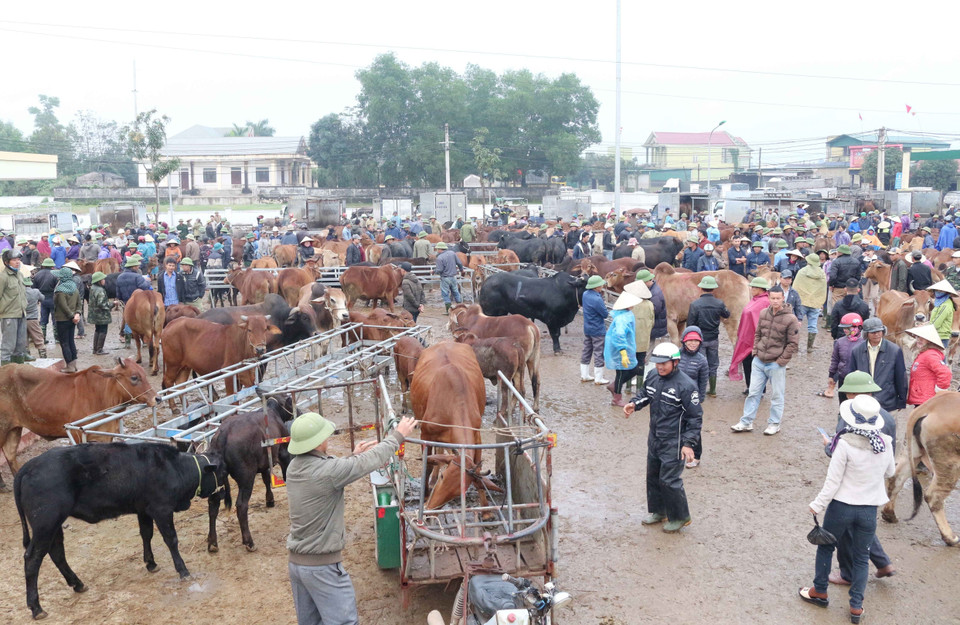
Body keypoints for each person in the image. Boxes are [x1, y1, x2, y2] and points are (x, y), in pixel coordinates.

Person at [286, 412, 416, 625]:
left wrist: (351, 458)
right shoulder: (329, 472)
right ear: (318, 443)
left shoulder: (294, 468)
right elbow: (369, 461)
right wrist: (398, 435)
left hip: (298, 564)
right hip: (322, 568)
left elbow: (328, 474)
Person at [799, 395, 895, 624]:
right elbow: (890, 472)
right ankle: (856, 608)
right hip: (868, 510)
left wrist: (816, 505)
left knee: (825, 548)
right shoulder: (886, 442)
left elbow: (832, 483)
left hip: (841, 507)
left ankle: (819, 592)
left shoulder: (843, 443)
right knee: (862, 558)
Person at [820, 372, 898, 586]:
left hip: (849, 483)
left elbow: (838, 450)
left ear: (853, 394)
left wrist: (828, 445)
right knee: (863, 525)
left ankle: (847, 574)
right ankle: (883, 563)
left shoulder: (848, 416)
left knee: (845, 527)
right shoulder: (887, 418)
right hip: (873, 482)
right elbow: (889, 456)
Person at [623, 342, 702, 533]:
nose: (660, 367)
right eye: (657, 363)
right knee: (653, 476)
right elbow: (645, 394)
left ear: (675, 362)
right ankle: (659, 511)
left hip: (674, 442)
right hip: (655, 437)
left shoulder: (687, 386)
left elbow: (695, 417)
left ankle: (681, 516)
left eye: (664, 363)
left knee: (669, 480)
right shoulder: (653, 376)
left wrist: (688, 444)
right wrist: (634, 404)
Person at [731, 285, 799, 435]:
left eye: (778, 298)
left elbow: (793, 343)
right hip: (759, 361)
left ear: (783, 298)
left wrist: (781, 361)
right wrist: (755, 351)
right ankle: (746, 422)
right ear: (768, 297)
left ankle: (774, 423)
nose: (775, 301)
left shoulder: (790, 319)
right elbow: (758, 334)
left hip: (775, 363)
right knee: (753, 393)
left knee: (777, 395)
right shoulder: (763, 313)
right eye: (772, 298)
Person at [849, 318, 907, 413]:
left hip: (887, 403)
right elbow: (852, 376)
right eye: (872, 332)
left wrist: (901, 400)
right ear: (866, 334)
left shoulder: (894, 350)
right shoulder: (857, 351)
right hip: (863, 403)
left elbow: (901, 377)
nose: (876, 334)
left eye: (879, 331)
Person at [686, 276, 729, 396]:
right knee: (713, 364)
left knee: (700, 363)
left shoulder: (695, 304)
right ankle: (713, 390)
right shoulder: (719, 303)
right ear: (713, 289)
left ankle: (700, 390)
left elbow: (690, 324)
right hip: (714, 338)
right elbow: (727, 314)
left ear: (701, 288)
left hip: (700, 339)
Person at [729, 277, 770, 391]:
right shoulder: (755, 300)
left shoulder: (765, 302)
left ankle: (759, 389)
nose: (751, 289)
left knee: (756, 365)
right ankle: (750, 386)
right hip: (746, 338)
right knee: (747, 363)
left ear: (761, 289)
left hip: (755, 340)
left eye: (754, 287)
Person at [678, 326, 708, 468]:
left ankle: (696, 455)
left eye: (696, 341)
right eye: (690, 340)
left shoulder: (702, 360)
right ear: (684, 341)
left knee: (693, 428)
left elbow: (703, 381)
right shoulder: (676, 355)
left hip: (692, 400)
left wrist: (699, 399)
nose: (693, 343)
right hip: (676, 398)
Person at [604, 291, 641, 406]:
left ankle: (614, 386)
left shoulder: (625, 314)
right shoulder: (622, 318)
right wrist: (623, 351)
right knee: (621, 372)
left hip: (626, 347)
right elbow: (619, 335)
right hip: (620, 350)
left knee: (633, 369)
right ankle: (617, 398)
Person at [905, 324, 952, 407]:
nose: (919, 339)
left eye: (923, 337)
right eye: (918, 337)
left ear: (930, 340)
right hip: (924, 398)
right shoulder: (924, 354)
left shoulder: (930, 355)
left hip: (927, 401)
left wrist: (939, 391)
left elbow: (945, 373)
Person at [820, 313, 863, 401]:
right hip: (844, 379)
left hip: (859, 381)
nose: (845, 330)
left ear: (857, 327)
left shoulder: (864, 343)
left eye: (848, 328)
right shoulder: (840, 342)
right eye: (844, 328)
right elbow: (835, 360)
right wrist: (831, 375)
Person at [0, 249, 30, 365]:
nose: (17, 262)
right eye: (14, 260)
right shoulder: (3, 277)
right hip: (9, 315)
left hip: (21, 313)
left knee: (20, 344)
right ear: (7, 262)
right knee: (8, 344)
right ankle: (4, 371)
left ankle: (18, 368)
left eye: (18, 260)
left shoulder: (20, 274)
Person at [116, 255, 154, 346]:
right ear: (133, 267)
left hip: (126, 302)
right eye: (136, 266)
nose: (138, 267)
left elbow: (118, 293)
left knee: (128, 321)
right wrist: (148, 281)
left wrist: (122, 301)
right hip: (138, 303)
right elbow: (145, 287)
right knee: (142, 321)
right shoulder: (137, 276)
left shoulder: (119, 277)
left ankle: (128, 342)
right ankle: (144, 342)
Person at [580, 275, 609, 384]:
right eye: (601, 284)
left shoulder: (585, 294)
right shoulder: (597, 299)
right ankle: (598, 378)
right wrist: (603, 304)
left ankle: (584, 375)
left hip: (587, 328)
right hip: (598, 329)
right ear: (597, 287)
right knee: (598, 352)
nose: (602, 285)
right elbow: (605, 314)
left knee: (586, 350)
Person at [53, 267, 82, 372]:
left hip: (62, 320)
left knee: (64, 343)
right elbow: (80, 303)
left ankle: (69, 365)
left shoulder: (60, 291)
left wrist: (71, 316)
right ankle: (74, 364)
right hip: (73, 320)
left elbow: (63, 306)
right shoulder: (75, 288)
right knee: (71, 341)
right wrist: (77, 314)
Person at [636, 269, 668, 347]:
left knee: (647, 349)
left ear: (647, 281)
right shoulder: (652, 289)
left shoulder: (655, 294)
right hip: (653, 325)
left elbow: (654, 311)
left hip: (654, 326)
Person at [434, 241, 464, 313]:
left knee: (445, 294)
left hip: (445, 278)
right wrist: (461, 270)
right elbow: (459, 263)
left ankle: (448, 311)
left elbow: (440, 270)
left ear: (440, 249)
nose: (437, 250)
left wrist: (434, 271)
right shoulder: (452, 253)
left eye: (437, 249)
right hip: (453, 277)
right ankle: (460, 309)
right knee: (456, 292)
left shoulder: (439, 258)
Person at [87, 271, 112, 355]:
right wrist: (112, 304)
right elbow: (101, 303)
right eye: (103, 279)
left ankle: (95, 349)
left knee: (97, 330)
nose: (104, 280)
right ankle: (99, 349)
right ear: (99, 281)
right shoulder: (100, 290)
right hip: (102, 315)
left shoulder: (92, 288)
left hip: (94, 314)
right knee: (103, 331)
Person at [927, 280, 957, 348]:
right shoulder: (940, 303)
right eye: (937, 290)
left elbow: (937, 323)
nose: (938, 292)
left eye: (941, 291)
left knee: (938, 357)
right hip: (935, 334)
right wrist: (927, 323)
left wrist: (926, 327)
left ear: (946, 292)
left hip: (940, 336)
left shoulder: (946, 305)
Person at [23, 275, 45, 359]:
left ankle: (26, 357)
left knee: (24, 341)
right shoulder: (36, 292)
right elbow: (42, 298)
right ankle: (43, 357)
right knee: (38, 338)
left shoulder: (19, 292)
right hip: (33, 319)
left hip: (22, 319)